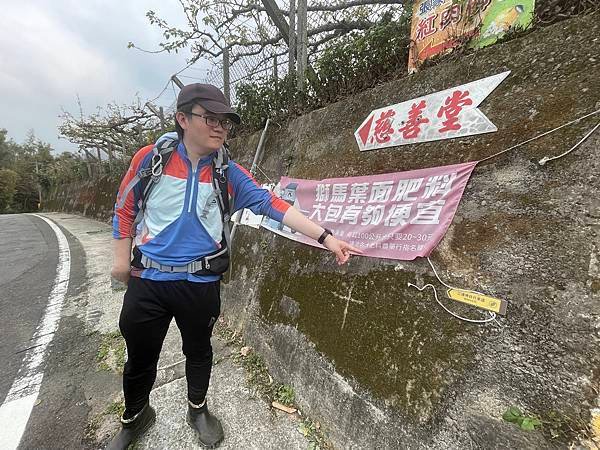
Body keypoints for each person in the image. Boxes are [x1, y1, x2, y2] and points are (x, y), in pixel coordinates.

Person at [109, 83, 360, 449]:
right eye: (210, 118)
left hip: (200, 283)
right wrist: (119, 261)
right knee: (140, 356)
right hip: (148, 279)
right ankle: (135, 416)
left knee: (199, 351)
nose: (220, 128)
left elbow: (271, 205)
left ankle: (198, 409)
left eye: (225, 122)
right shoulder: (152, 159)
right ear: (183, 119)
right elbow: (124, 207)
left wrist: (326, 237)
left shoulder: (229, 173)